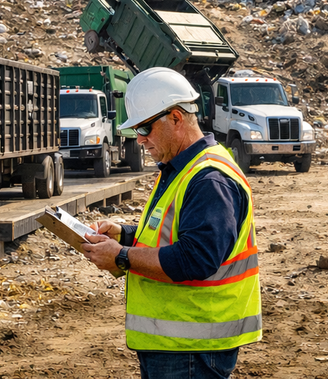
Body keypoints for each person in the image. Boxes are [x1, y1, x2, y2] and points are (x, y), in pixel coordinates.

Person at [81, 67, 261, 379]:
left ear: (176, 118)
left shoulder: (209, 179)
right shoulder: (181, 168)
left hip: (192, 347)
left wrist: (121, 256)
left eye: (145, 128)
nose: (140, 140)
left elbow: (196, 258)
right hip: (177, 345)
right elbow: (170, 234)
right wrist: (125, 235)